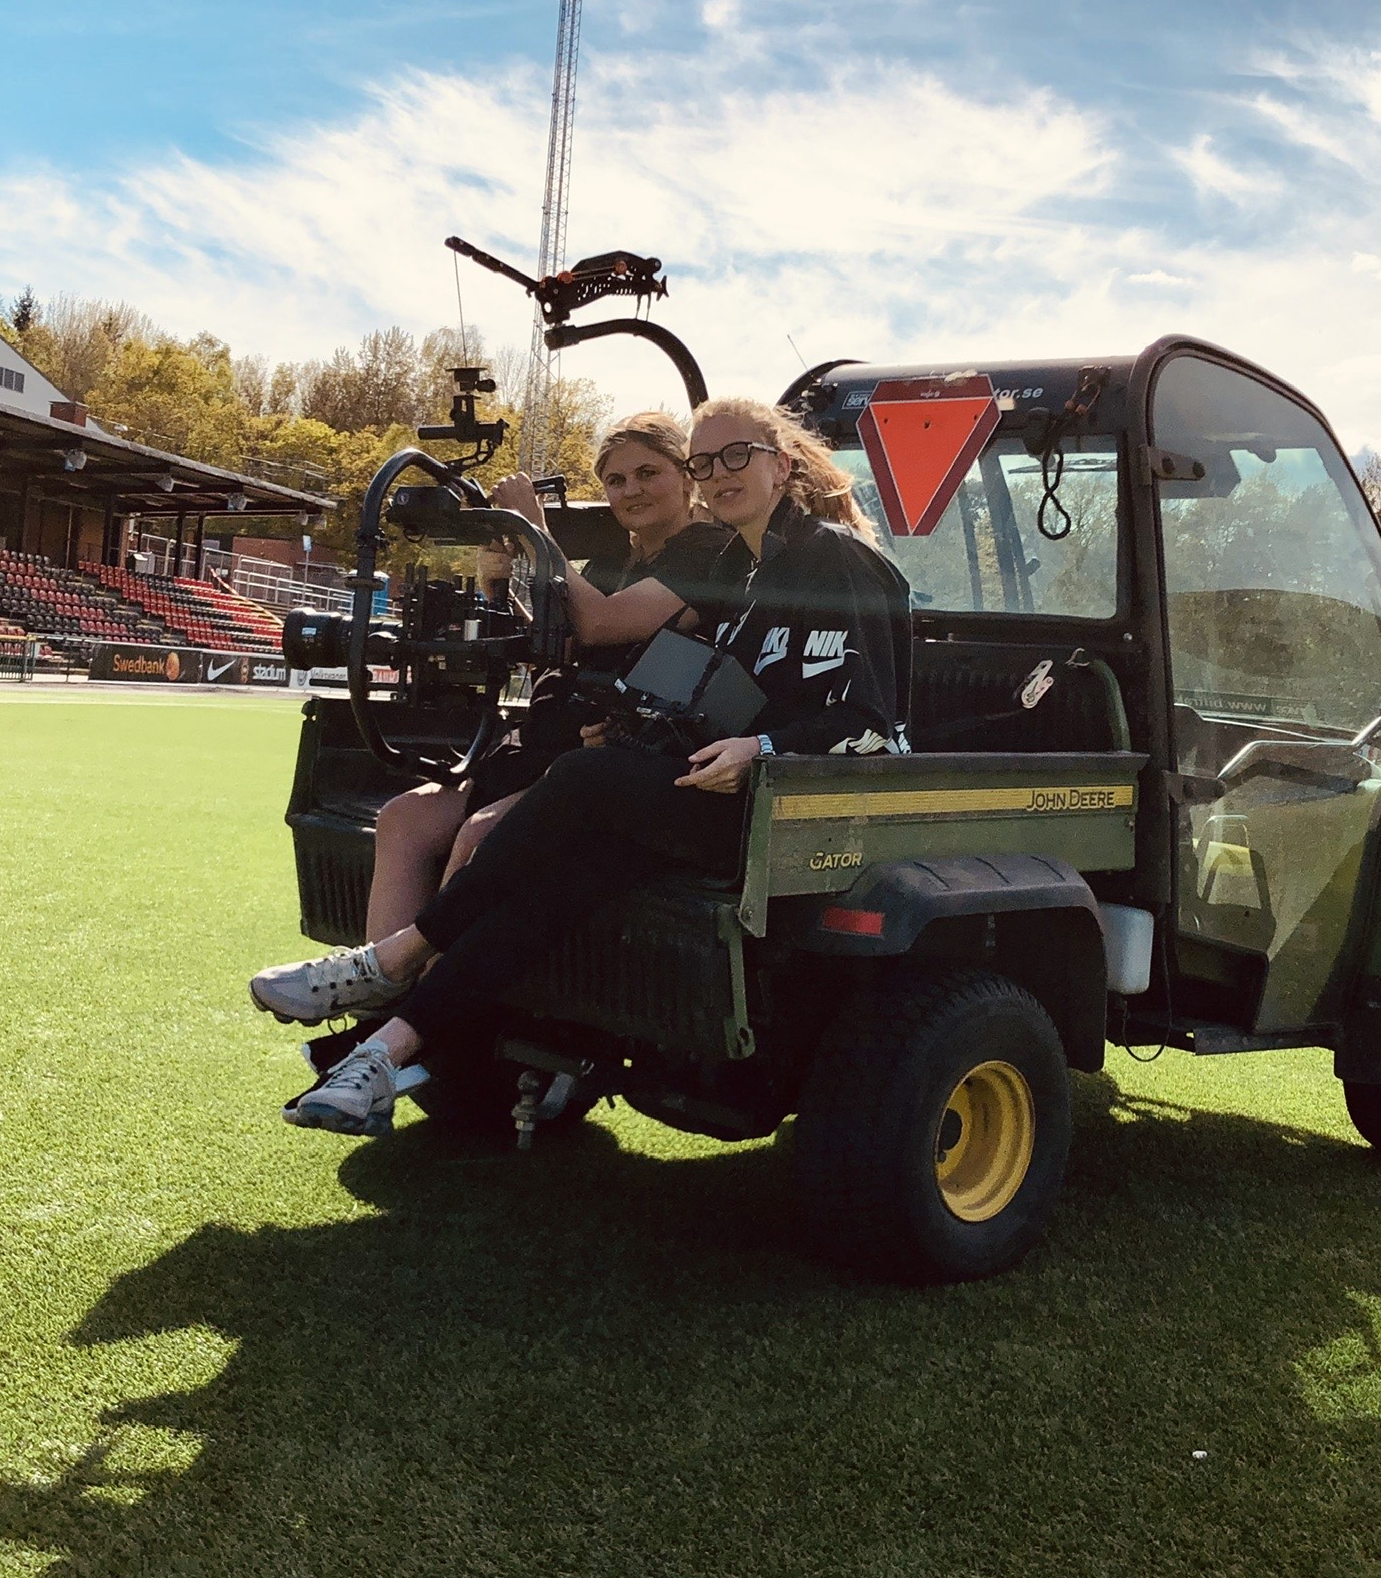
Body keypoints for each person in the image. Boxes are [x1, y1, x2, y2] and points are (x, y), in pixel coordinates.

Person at [275, 396, 913, 1135]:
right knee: (549, 892)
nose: (720, 474)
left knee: (577, 782)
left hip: (773, 803)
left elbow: (876, 725)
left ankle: (396, 957)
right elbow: (706, 691)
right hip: (706, 786)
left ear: (783, 464)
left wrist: (760, 749)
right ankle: (382, 1056)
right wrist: (647, 727)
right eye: (708, 463)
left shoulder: (837, 558)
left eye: (735, 455)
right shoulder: (745, 570)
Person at [251, 411, 731, 1022]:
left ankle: (422, 1016)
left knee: (481, 835)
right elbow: (563, 644)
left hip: (606, 757)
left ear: (685, 477)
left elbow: (605, 623)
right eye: (615, 480)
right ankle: (376, 1000)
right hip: (549, 740)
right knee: (406, 818)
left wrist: (535, 530)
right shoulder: (622, 563)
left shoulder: (707, 553)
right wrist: (501, 591)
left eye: (646, 473)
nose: (630, 490)